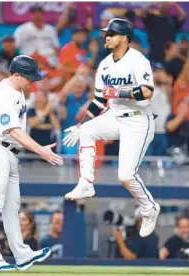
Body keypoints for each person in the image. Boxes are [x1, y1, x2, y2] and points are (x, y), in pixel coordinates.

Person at [62, 19, 160, 238]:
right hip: (115, 116)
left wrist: (118, 93)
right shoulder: (105, 64)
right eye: (107, 33)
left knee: (125, 176)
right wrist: (81, 125)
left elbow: (147, 92)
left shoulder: (138, 60)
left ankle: (149, 208)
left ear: (125, 38)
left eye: (113, 34)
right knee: (86, 131)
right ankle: (86, 183)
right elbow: (98, 100)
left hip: (138, 120)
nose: (107, 37)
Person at [0, 55, 63, 271]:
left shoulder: (16, 90)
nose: (32, 82)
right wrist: (40, 150)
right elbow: (13, 130)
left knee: (12, 208)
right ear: (16, 75)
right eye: (28, 77)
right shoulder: (6, 93)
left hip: (10, 153)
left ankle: (21, 254)